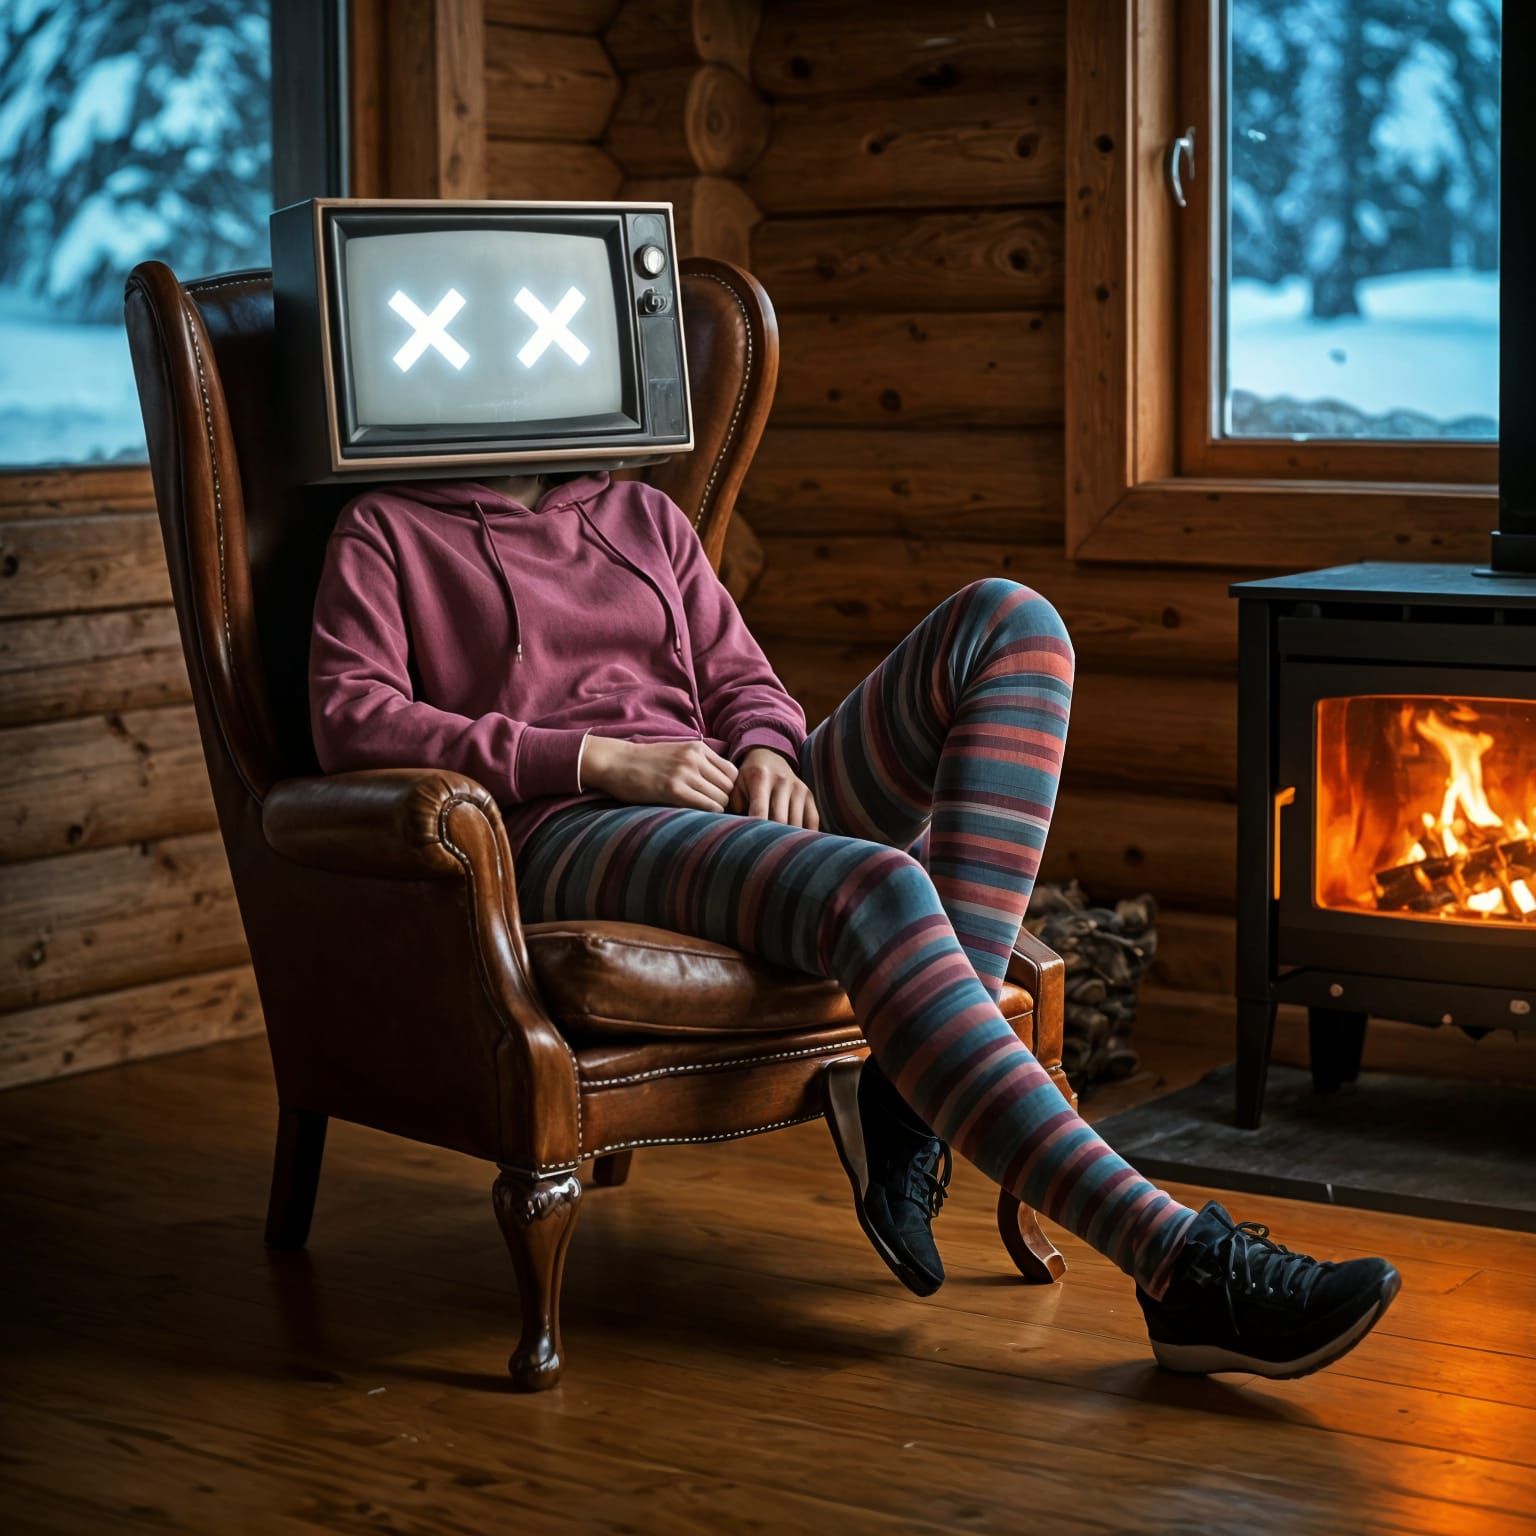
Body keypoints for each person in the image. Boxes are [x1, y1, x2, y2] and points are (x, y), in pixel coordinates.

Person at [309, 469, 1401, 1381]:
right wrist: (591, 757)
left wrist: (772, 752)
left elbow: (743, 679)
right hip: (574, 830)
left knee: (1013, 623)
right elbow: (351, 717)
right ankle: (1174, 1263)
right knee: (881, 886)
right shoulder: (388, 528)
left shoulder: (640, 512)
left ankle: (908, 1098)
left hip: (723, 795)